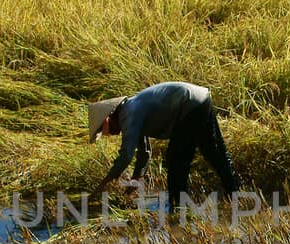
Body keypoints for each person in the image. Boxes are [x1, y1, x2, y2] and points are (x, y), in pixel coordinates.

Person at [89, 82, 240, 204]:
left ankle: (178, 205)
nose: (109, 134)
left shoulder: (129, 114)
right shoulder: (132, 111)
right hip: (200, 99)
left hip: (188, 104)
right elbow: (144, 153)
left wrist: (105, 182)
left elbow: (126, 155)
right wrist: (135, 180)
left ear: (108, 119)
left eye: (105, 130)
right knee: (214, 150)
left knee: (177, 159)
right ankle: (235, 192)